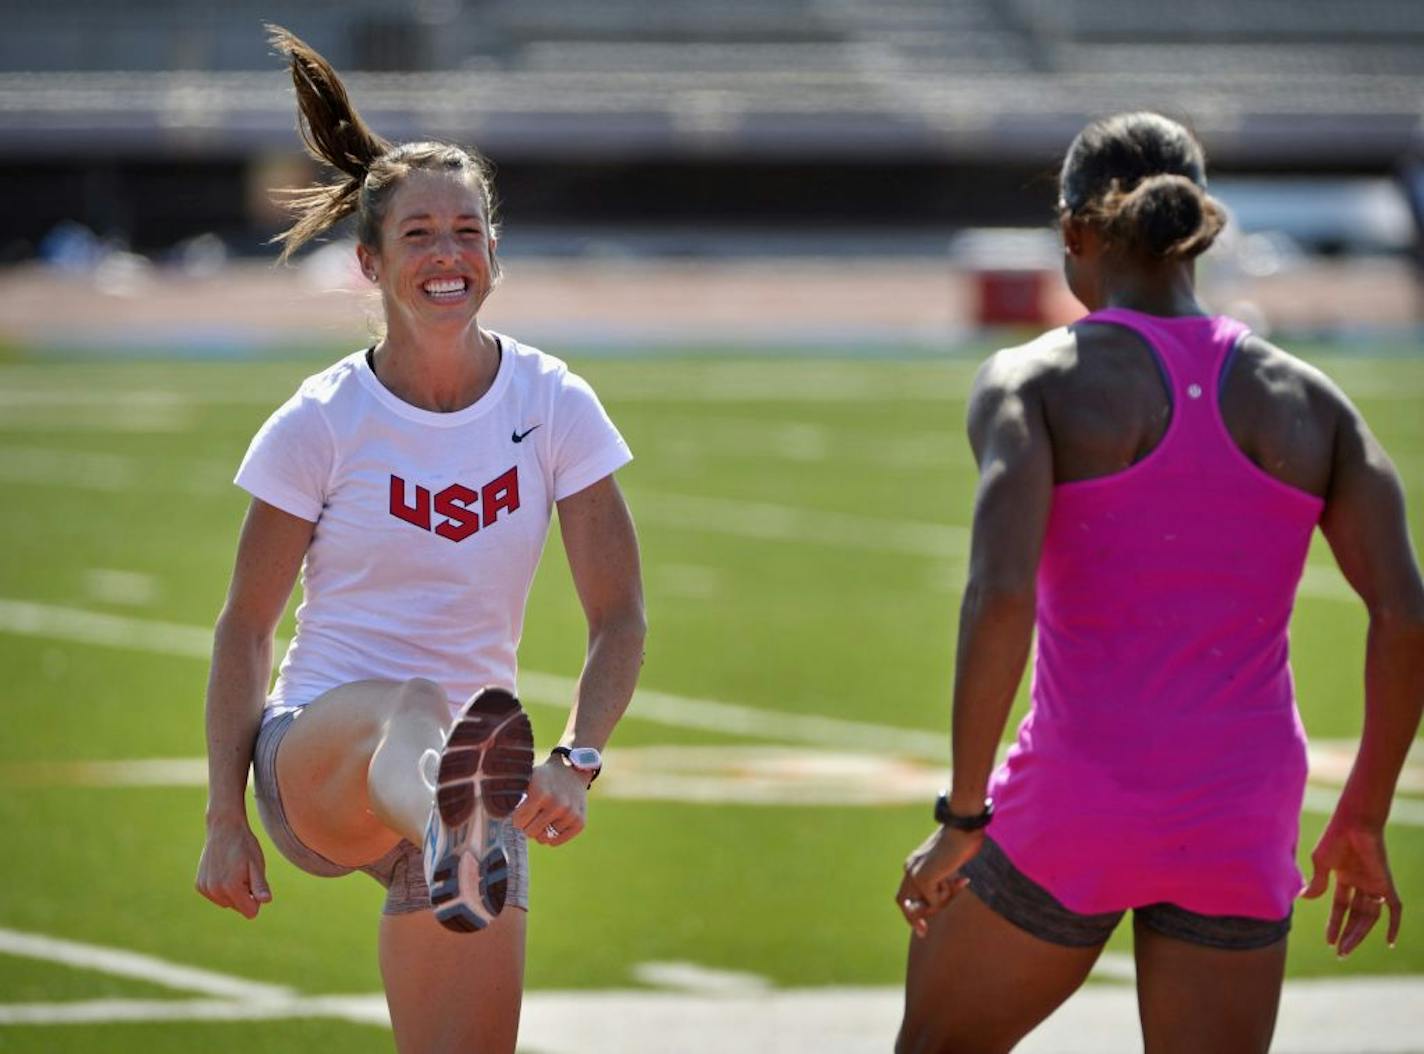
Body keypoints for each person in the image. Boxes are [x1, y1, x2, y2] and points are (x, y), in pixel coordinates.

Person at [895, 111, 1424, 1054]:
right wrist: (1365, 815)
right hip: (1242, 807)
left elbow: (1000, 595)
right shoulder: (1312, 402)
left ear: (1073, 232)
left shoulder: (1033, 381)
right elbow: (1405, 613)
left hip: (1075, 800)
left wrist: (963, 815)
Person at [195, 26, 645, 1053]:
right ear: (369, 261)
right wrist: (225, 815)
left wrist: (576, 758)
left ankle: (451, 832)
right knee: (411, 705)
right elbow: (245, 630)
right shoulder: (321, 420)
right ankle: (446, 826)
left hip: (474, 782)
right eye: (419, 235)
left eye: (468, 231)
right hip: (319, 756)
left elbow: (618, 616)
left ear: (494, 250)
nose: (449, 254)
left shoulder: (553, 401)